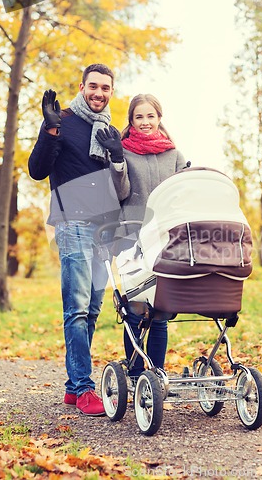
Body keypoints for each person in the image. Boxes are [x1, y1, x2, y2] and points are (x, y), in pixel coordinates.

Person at [28, 64, 130, 416]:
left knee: (95, 308)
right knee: (77, 307)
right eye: (93, 86)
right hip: (71, 221)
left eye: (105, 88)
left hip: (104, 227)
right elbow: (37, 170)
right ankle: (85, 388)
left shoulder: (109, 131)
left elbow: (121, 190)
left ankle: (73, 387)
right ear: (82, 86)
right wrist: (50, 129)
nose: (98, 93)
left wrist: (117, 156)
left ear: (111, 92)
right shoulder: (62, 120)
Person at [95, 93, 186, 381]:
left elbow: (181, 198)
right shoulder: (123, 150)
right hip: (131, 238)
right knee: (135, 309)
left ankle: (156, 375)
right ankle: (134, 375)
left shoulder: (174, 155)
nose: (145, 122)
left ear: (159, 118)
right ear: (131, 120)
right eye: (139, 117)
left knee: (160, 312)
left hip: (165, 241)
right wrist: (119, 161)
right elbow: (119, 193)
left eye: (150, 116)